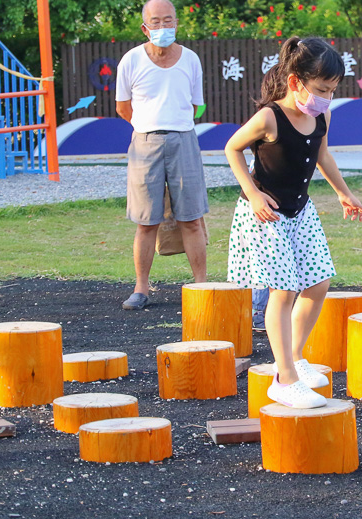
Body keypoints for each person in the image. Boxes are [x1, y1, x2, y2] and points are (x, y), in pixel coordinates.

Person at [224, 36, 362, 409]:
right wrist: (253, 194)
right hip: (266, 215)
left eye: (332, 90)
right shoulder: (270, 116)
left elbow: (322, 155)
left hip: (300, 212)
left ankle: (295, 358)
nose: (326, 97)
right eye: (321, 89)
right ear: (295, 81)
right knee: (283, 292)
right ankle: (283, 379)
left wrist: (344, 192)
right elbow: (232, 148)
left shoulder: (321, 115)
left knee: (318, 284)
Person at [116, 0, 208, 310]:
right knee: (146, 221)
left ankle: (201, 286)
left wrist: (174, 126)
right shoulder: (130, 61)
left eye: (168, 20)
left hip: (184, 139)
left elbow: (197, 105)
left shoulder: (191, 59)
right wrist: (148, 128)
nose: (162, 27)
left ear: (177, 24)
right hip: (144, 142)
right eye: (155, 22)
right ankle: (141, 288)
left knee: (192, 218)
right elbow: (122, 107)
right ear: (145, 27)